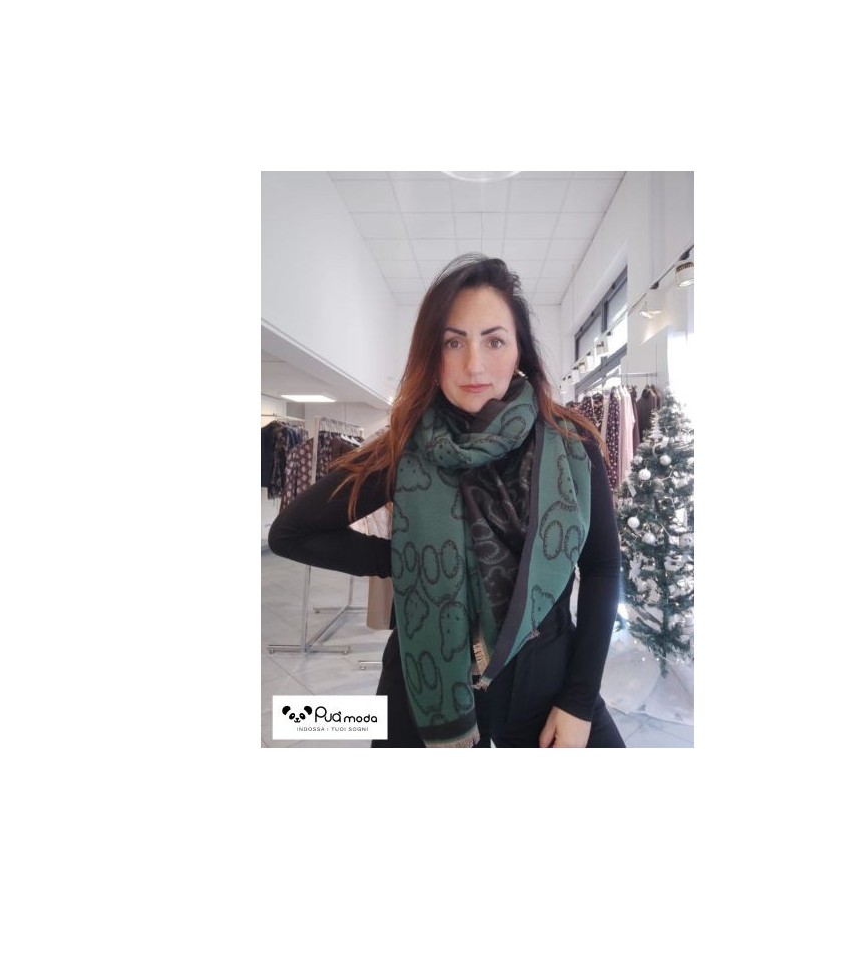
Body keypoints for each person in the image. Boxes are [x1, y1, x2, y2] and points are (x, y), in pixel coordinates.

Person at [267, 254, 625, 749]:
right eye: (453, 342)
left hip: (546, 685)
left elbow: (603, 567)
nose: (473, 364)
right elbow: (289, 533)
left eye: (494, 341)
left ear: (519, 351)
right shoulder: (404, 448)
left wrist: (579, 701)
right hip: (422, 690)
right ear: (432, 354)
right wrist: (402, 558)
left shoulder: (570, 446)